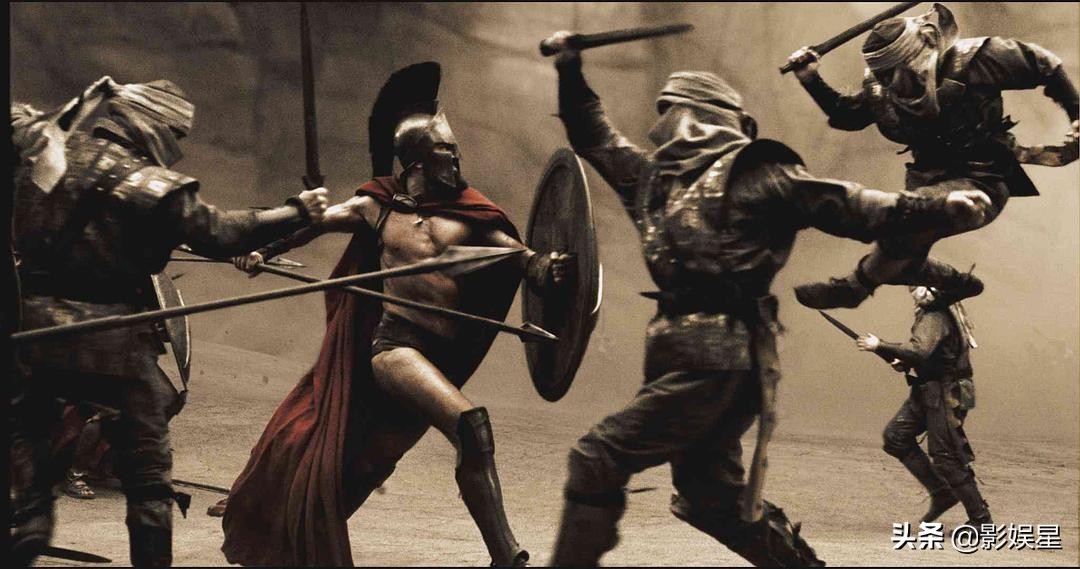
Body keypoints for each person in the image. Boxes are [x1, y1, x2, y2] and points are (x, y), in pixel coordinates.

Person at [543, 31, 994, 567]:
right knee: (711, 502)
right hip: (682, 358)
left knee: (598, 457)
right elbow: (593, 135)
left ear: (704, 117)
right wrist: (569, 68)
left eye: (673, 111)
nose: (664, 124)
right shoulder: (652, 181)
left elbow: (844, 203)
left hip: (722, 361)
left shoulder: (753, 173)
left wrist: (936, 208)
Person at [218, 62, 570, 567]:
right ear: (417, 161)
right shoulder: (376, 206)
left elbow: (523, 259)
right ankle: (506, 556)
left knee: (367, 459)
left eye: (455, 150)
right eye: (446, 150)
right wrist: (262, 250)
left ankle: (289, 527)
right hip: (396, 348)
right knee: (471, 427)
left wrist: (550, 268)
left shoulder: (469, 215)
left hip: (440, 355)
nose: (457, 159)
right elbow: (315, 223)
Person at [10, 77, 328, 567]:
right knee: (149, 483)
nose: (177, 145)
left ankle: (30, 524)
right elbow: (220, 233)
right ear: (153, 126)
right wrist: (297, 210)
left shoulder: (47, 152)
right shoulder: (151, 186)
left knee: (32, 477)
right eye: (176, 134)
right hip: (112, 344)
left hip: (34, 336)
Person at [786, 3, 1079, 310]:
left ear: (914, 60)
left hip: (982, 181)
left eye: (892, 74)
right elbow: (847, 116)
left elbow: (1042, 64)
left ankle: (855, 288)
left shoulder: (974, 60)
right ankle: (956, 283)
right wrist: (810, 79)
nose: (887, 84)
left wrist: (1076, 112)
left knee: (903, 223)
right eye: (881, 76)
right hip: (925, 183)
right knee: (900, 256)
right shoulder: (883, 89)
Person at [856, 283, 990, 528]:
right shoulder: (932, 312)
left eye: (921, 287)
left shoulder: (936, 315)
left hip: (947, 393)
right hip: (929, 390)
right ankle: (942, 492)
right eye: (913, 288)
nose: (916, 293)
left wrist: (880, 345)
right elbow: (931, 353)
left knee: (946, 457)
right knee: (896, 437)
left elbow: (920, 351)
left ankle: (981, 520)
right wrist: (904, 360)